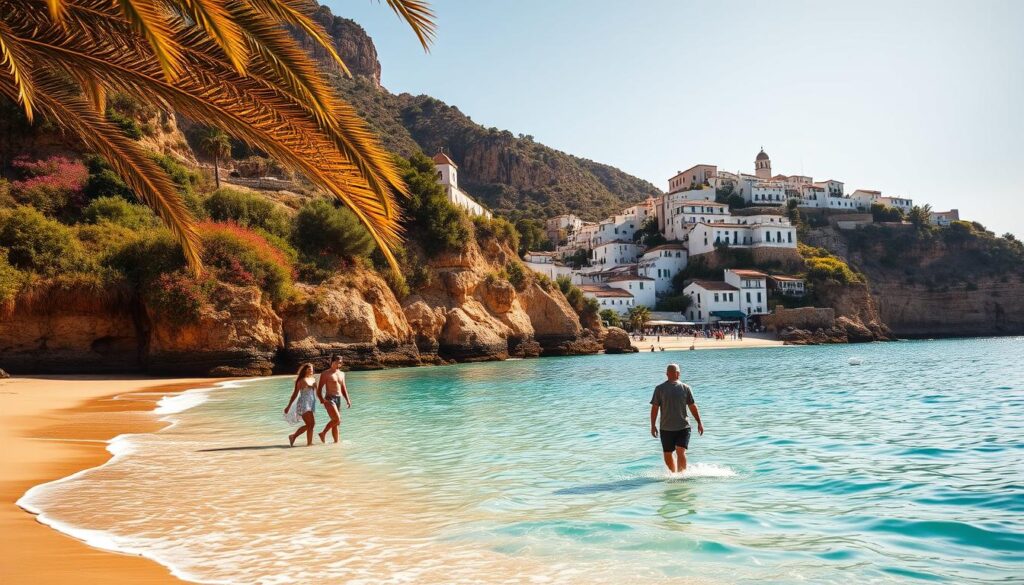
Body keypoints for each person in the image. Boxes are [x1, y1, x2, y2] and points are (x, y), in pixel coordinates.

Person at [650, 364, 704, 473]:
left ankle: (678, 476)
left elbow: (654, 409)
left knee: (673, 452)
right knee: (673, 452)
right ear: (678, 374)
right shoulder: (682, 388)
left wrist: (653, 426)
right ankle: (678, 476)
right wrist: (699, 422)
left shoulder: (661, 388)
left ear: (666, 374)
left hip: (677, 427)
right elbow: (692, 407)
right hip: (673, 427)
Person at [317, 355, 351, 444]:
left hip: (338, 398)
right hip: (329, 398)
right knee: (337, 419)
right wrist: (321, 399)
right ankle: (323, 433)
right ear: (332, 361)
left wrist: (348, 400)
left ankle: (336, 443)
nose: (339, 364)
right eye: (337, 362)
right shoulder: (325, 373)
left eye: (340, 362)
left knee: (336, 422)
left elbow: (344, 388)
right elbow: (319, 389)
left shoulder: (342, 374)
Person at [284, 363, 317, 446]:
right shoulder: (301, 380)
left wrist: (323, 400)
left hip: (311, 403)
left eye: (312, 368)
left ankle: (309, 443)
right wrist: (288, 406)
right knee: (310, 424)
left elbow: (317, 392)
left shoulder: (313, 379)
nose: (311, 370)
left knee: (311, 425)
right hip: (303, 404)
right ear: (305, 369)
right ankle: (294, 436)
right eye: (309, 368)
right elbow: (295, 394)